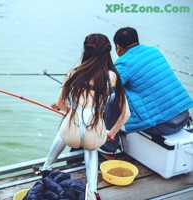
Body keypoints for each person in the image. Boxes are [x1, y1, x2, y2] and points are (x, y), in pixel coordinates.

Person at [42, 34, 130, 199]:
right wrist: (111, 133)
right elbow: (126, 114)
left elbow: (60, 104)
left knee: (66, 125)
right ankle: (93, 190)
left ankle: (46, 167)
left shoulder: (72, 73)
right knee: (92, 147)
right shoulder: (112, 77)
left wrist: (71, 110)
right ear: (107, 52)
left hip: (69, 136)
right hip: (93, 137)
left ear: (85, 50)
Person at [113, 27, 193, 135]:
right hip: (184, 117)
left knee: (111, 102)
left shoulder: (124, 63)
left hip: (164, 125)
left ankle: (108, 147)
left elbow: (105, 90)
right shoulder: (154, 51)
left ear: (118, 47)